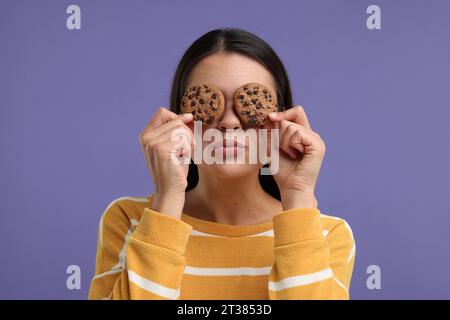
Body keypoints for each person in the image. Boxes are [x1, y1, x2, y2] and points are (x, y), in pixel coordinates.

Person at [88, 28, 355, 300]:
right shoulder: (130, 221)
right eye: (210, 104)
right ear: (180, 119)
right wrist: (168, 200)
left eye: (250, 105)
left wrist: (298, 196)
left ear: (281, 120)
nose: (229, 122)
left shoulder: (324, 234)